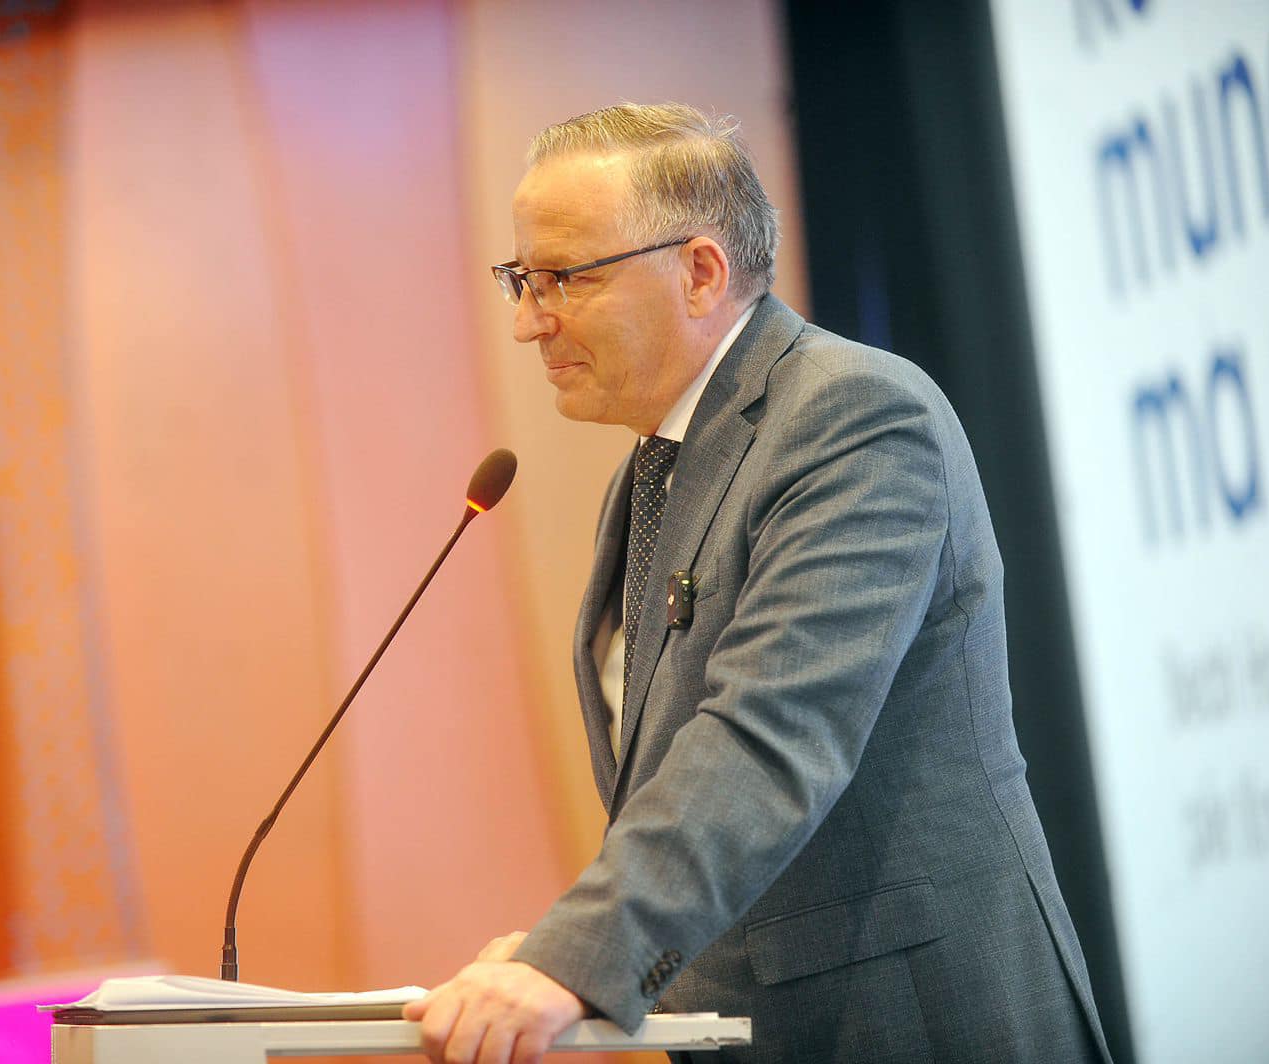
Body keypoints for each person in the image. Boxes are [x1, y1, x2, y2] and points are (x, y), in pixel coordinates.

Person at [404, 103, 1113, 1064]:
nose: (530, 321)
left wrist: (575, 959)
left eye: (565, 277)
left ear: (700, 272)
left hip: (913, 1023)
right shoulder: (652, 471)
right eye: (521, 280)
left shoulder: (853, 417)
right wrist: (562, 954)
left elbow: (771, 733)